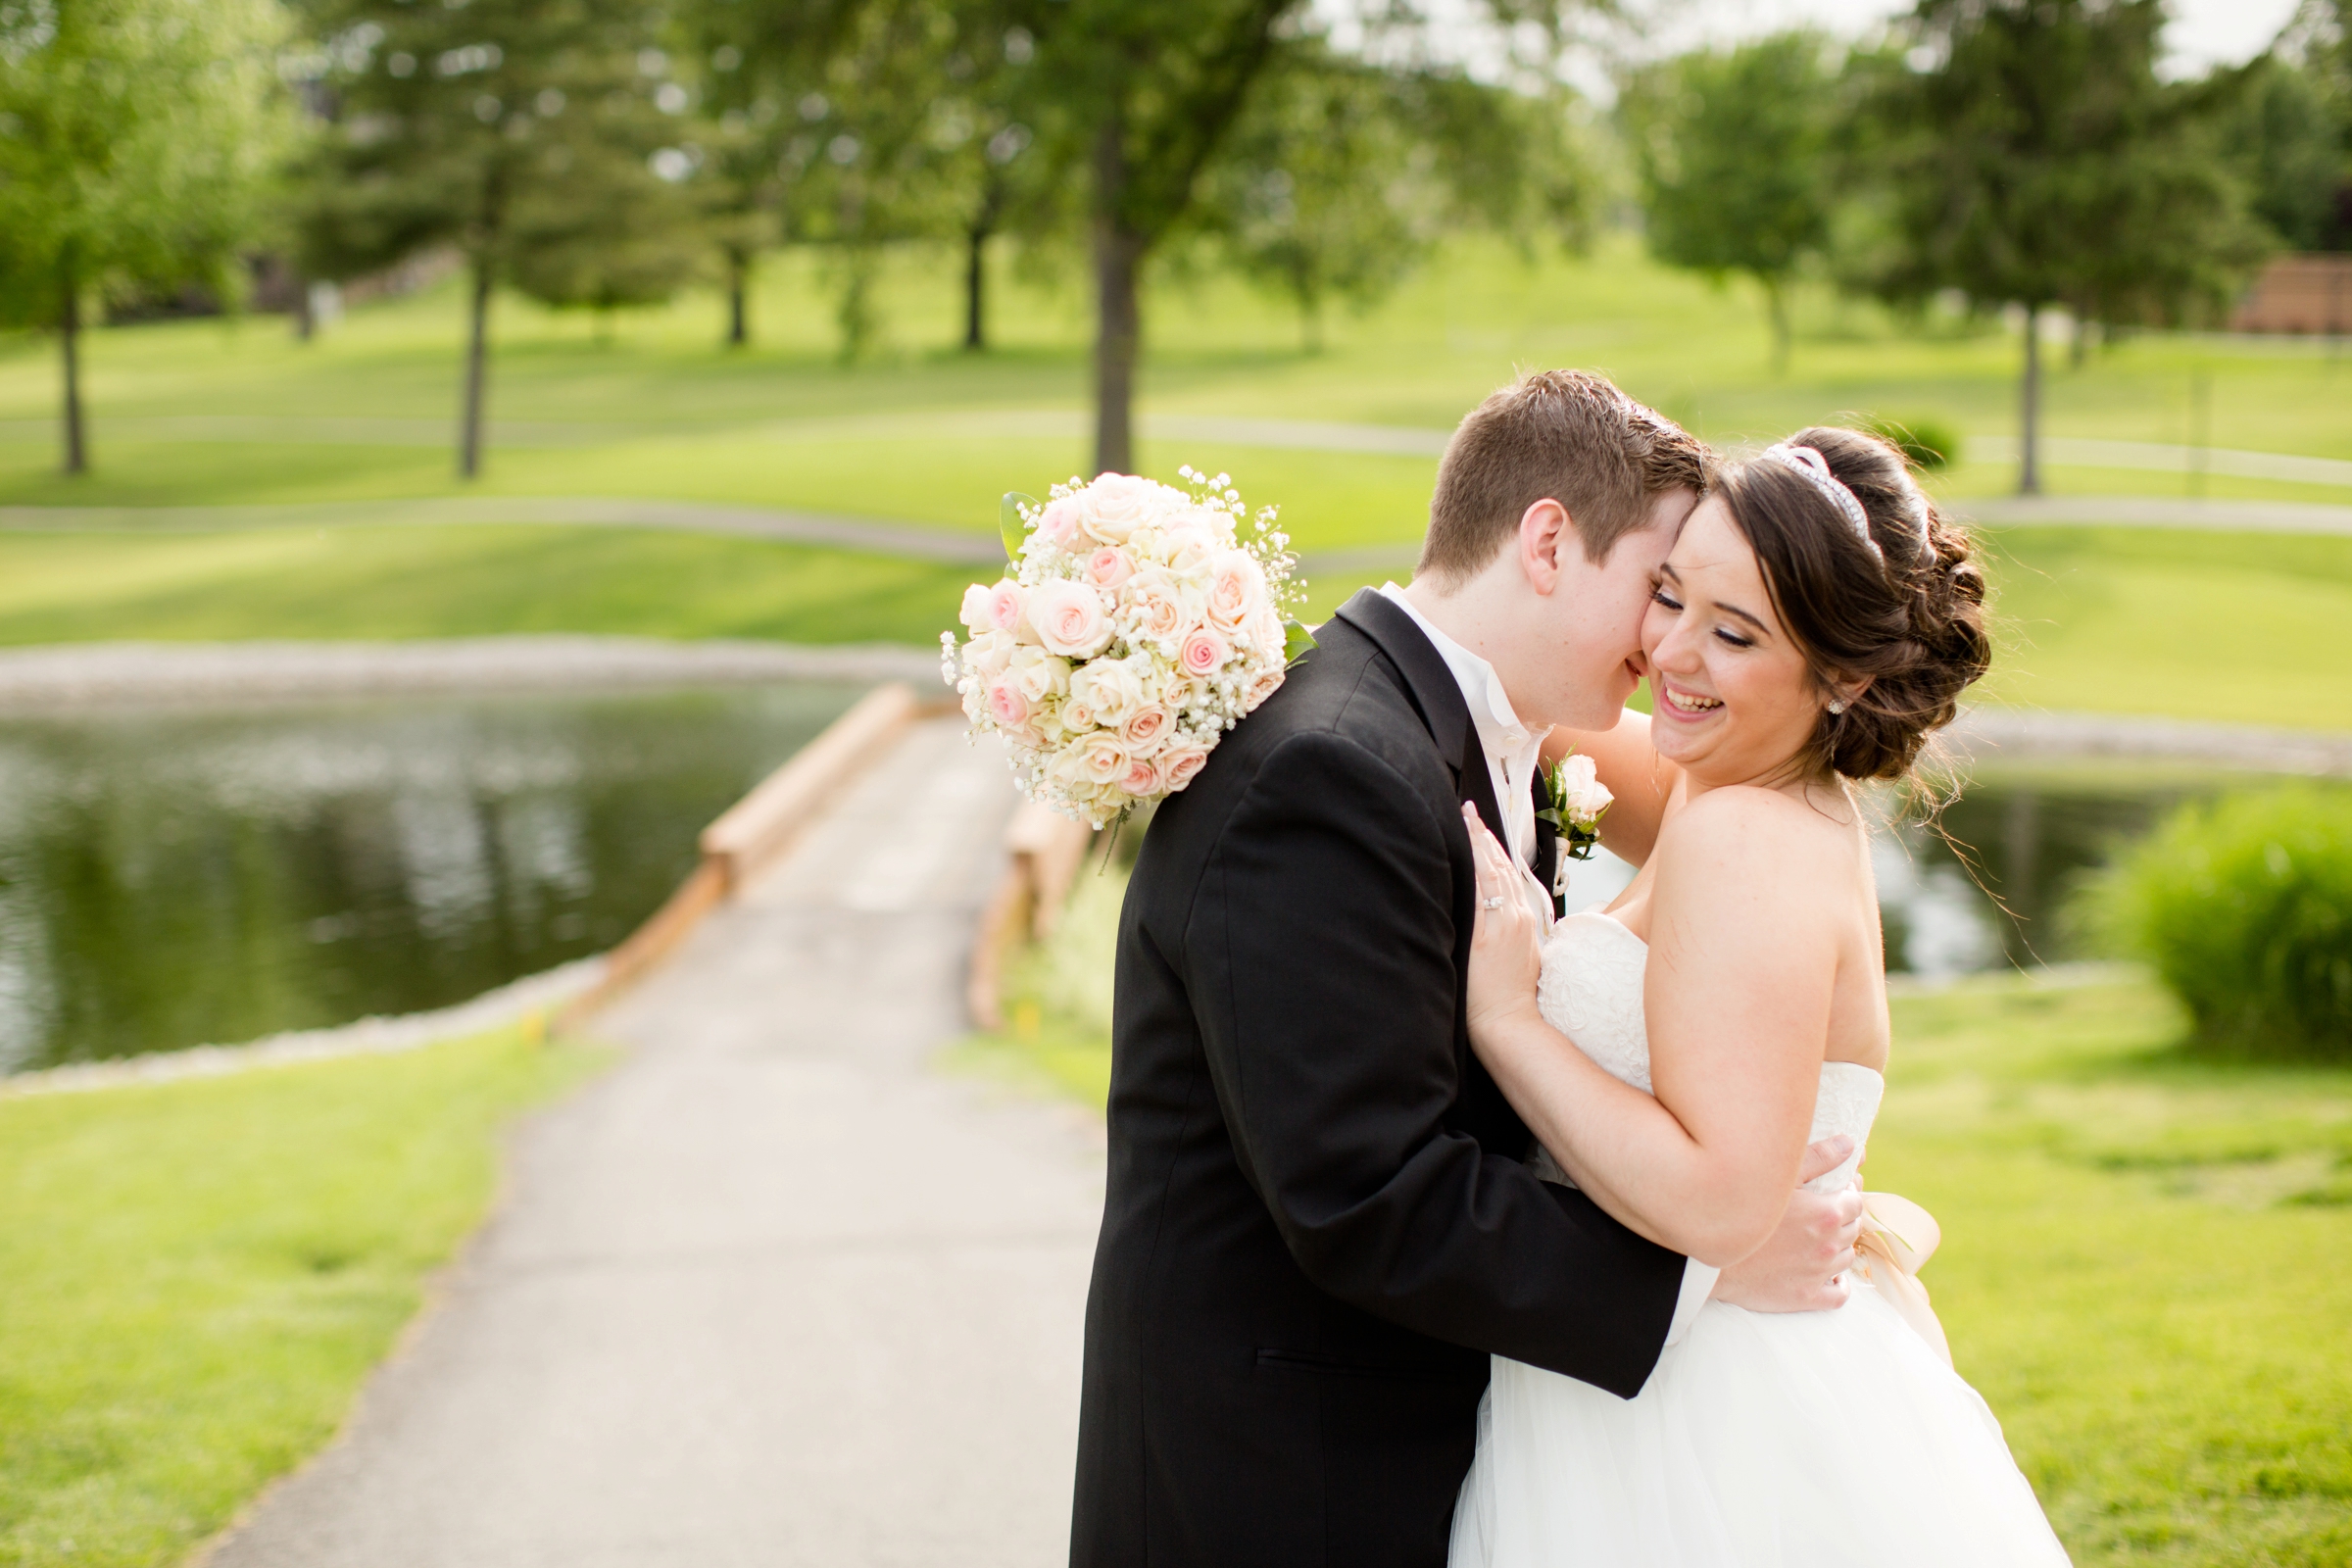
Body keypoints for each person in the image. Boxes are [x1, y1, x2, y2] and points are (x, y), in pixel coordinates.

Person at [1070, 373, 1871, 1568]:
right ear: (1548, 542)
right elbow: (1366, 1193)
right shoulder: (1332, 770)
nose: (1661, 644)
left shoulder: (1475, 732)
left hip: (1416, 1444)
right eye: (1658, 589)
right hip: (1279, 1479)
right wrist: (1697, 1274)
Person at [1448, 426, 2072, 1564]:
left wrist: (1508, 1022)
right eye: (1670, 596)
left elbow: (1722, 1199)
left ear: (1845, 676)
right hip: (1670, 1364)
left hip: (1707, 1412)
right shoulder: (1728, 778)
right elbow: (1520, 709)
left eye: (1733, 633)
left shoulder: (1745, 837)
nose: (1671, 656)